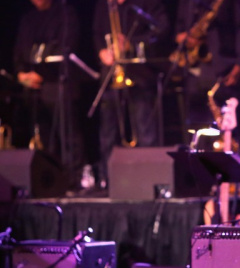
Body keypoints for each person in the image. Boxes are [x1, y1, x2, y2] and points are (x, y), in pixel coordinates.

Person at [92, 0, 171, 185]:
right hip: (112, 73)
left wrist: (131, 45)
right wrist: (102, 52)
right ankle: (108, 179)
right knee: (107, 131)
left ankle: (150, 179)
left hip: (140, 73)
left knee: (145, 129)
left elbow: (161, 29)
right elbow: (96, 34)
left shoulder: (144, 3)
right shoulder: (104, 5)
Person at [13, 0, 84, 183]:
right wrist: (22, 74)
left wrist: (41, 72)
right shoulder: (27, 19)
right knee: (43, 135)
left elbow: (65, 48)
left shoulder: (66, 13)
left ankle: (72, 178)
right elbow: (19, 50)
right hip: (33, 87)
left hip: (56, 84)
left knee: (67, 134)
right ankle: (49, 178)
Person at [172, 0, 240, 152]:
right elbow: (178, 30)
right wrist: (185, 38)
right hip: (194, 72)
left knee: (231, 129)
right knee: (197, 127)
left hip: (224, 68)